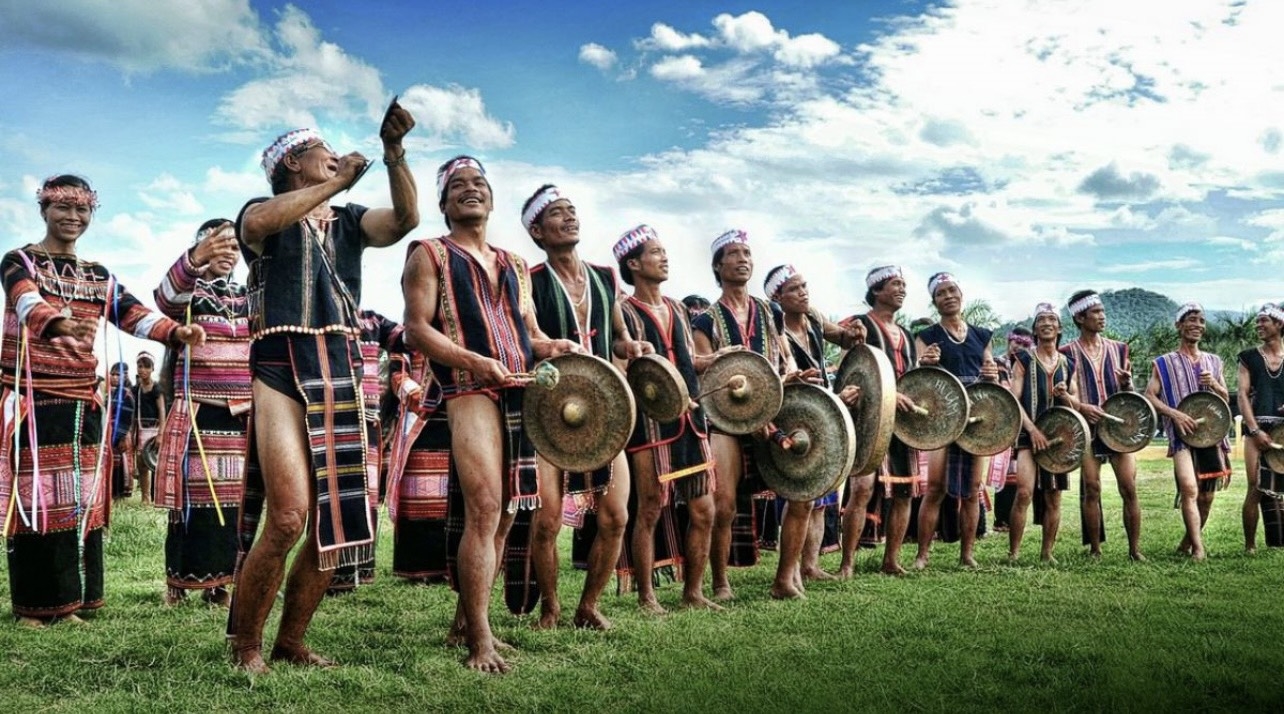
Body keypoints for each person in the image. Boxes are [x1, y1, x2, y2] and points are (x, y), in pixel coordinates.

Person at [228, 104, 419, 674]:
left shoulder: (348, 219)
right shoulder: (263, 213)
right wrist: (338, 181)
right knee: (288, 516)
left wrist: (393, 154)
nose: (334, 156)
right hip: (280, 368)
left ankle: (291, 639)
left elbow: (406, 219)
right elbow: (259, 226)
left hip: (337, 367)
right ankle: (245, 645)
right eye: (322, 151)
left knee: (332, 522)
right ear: (292, 162)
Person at [401, 155, 580, 674]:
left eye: (479, 183)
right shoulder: (428, 254)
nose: (471, 190)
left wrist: (550, 345)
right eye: (458, 185)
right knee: (485, 509)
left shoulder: (515, 264)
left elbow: (528, 328)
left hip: (520, 390)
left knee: (504, 516)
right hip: (467, 389)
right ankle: (481, 638)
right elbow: (417, 329)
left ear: (492, 198)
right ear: (443, 202)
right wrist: (475, 361)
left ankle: (467, 620)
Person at [0, 174, 205, 628]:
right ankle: (35, 608)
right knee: (38, 500)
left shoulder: (98, 275)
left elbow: (132, 313)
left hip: (83, 402)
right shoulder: (20, 261)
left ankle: (72, 602)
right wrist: (57, 325)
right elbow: (25, 301)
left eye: (82, 210)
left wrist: (176, 333)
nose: (73, 217)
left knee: (80, 502)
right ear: (43, 210)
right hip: (36, 401)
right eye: (63, 208)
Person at [520, 185, 649, 630]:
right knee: (547, 519)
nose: (569, 218)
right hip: (550, 411)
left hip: (605, 406)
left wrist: (630, 345)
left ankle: (589, 606)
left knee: (616, 516)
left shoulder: (604, 276)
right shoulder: (529, 279)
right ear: (537, 230)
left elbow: (616, 332)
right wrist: (546, 346)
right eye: (557, 213)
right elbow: (526, 338)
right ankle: (551, 607)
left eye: (572, 211)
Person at [614, 225, 722, 612]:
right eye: (655, 252)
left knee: (704, 509)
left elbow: (688, 360)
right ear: (634, 263)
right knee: (649, 508)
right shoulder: (623, 310)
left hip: (693, 419)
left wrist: (722, 360)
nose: (664, 258)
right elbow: (619, 363)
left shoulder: (678, 307)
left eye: (664, 252)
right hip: (650, 423)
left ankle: (693, 592)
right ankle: (647, 596)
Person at [153, 218, 250, 607]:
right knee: (190, 502)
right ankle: (177, 583)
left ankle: (220, 585)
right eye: (219, 245)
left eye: (234, 247)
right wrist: (194, 260)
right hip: (197, 411)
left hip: (240, 415)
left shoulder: (247, 296)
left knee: (233, 502)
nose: (227, 253)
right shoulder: (188, 295)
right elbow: (164, 299)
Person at [690, 230, 791, 600]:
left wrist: (791, 376)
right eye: (733, 254)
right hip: (724, 419)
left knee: (799, 487)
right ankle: (719, 582)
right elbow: (705, 376)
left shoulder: (771, 311)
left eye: (747, 252)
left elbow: (783, 357)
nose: (743, 259)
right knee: (725, 503)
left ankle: (786, 577)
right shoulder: (706, 321)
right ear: (718, 265)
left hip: (770, 410)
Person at [764, 264, 862, 597]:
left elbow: (844, 336)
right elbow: (777, 376)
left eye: (805, 285)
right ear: (778, 297)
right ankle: (788, 576)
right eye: (795, 289)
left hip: (822, 413)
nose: (803, 292)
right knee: (801, 498)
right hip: (795, 416)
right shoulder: (775, 331)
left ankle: (809, 566)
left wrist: (855, 333)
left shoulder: (814, 321)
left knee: (820, 500)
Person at [838, 265, 920, 577]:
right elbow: (853, 370)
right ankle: (847, 563)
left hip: (901, 421)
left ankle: (892, 560)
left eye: (903, 284)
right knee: (861, 488)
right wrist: (887, 394)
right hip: (869, 418)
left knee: (904, 490)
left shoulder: (908, 335)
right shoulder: (860, 325)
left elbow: (909, 376)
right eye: (895, 284)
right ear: (876, 290)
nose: (902, 289)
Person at [912, 273, 998, 570]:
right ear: (934, 302)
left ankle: (967, 554)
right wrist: (927, 363)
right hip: (942, 416)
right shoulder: (927, 336)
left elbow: (991, 372)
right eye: (941, 293)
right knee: (934, 488)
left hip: (976, 416)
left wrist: (992, 374)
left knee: (973, 489)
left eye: (952, 290)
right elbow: (919, 377)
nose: (948, 296)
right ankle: (922, 555)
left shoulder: (982, 334)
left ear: (961, 294)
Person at [327, 309, 406, 595]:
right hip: (329, 417)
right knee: (334, 497)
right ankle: (332, 575)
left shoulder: (372, 321)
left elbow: (405, 339)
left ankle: (359, 570)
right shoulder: (321, 314)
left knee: (366, 498)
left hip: (367, 421)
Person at [1061, 290, 1143, 560]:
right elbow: (1063, 394)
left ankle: (1134, 549)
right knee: (1092, 488)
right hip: (1087, 428)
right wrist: (1083, 407)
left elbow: (1130, 391)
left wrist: (1127, 384)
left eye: (1102, 311)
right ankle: (1095, 549)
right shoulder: (1066, 354)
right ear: (1080, 317)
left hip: (1118, 426)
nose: (1102, 316)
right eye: (1096, 312)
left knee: (1128, 487)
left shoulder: (1119, 349)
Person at [1145, 303, 1232, 561]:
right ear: (1179, 325)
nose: (1197, 325)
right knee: (1189, 489)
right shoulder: (1163, 363)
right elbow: (1150, 395)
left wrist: (1214, 383)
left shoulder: (1214, 362)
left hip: (1212, 437)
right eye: (1191, 320)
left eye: (1201, 321)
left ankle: (1187, 542)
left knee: (1206, 496)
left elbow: (1226, 397)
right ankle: (1199, 548)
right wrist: (1175, 414)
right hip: (1181, 435)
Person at [1008, 302, 1080, 563]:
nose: (1047, 323)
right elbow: (1013, 399)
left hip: (1059, 437)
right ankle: (1014, 552)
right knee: (1024, 491)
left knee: (1053, 496)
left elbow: (1075, 399)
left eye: (1052, 319)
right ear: (1035, 329)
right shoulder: (1024, 359)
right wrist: (1031, 429)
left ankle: (1047, 552)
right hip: (1030, 435)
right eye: (1041, 320)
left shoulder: (1069, 363)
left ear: (1059, 327)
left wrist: (1065, 396)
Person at [1238, 303, 1284, 550]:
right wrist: (1254, 430)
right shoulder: (1249, 357)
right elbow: (1242, 396)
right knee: (1255, 486)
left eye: (1264, 320)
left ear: (1279, 324)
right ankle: (1249, 546)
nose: (1258, 325)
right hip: (1257, 429)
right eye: (1257, 321)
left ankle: (1278, 541)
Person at [991, 327, 1032, 531]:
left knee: (1018, 474)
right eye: (1017, 342)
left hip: (1021, 424)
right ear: (1009, 341)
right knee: (1003, 472)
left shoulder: (1027, 366)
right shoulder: (997, 363)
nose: (1020, 347)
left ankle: (1011, 518)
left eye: (1025, 345)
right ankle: (1001, 519)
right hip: (1003, 422)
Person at [133, 351, 165, 504]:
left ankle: (158, 497)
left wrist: (161, 434)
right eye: (140, 366)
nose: (142, 370)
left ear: (152, 368)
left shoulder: (156, 389)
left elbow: (162, 411)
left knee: (155, 464)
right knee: (141, 463)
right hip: (140, 430)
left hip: (154, 430)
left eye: (146, 367)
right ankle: (145, 498)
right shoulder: (136, 389)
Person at [106, 362, 137, 501]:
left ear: (125, 376)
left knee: (120, 465)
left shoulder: (125, 394)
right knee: (113, 464)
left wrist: (122, 436)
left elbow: (126, 416)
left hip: (120, 434)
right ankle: (112, 494)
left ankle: (119, 496)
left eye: (117, 375)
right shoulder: (112, 393)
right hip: (111, 433)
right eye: (112, 374)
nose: (113, 377)